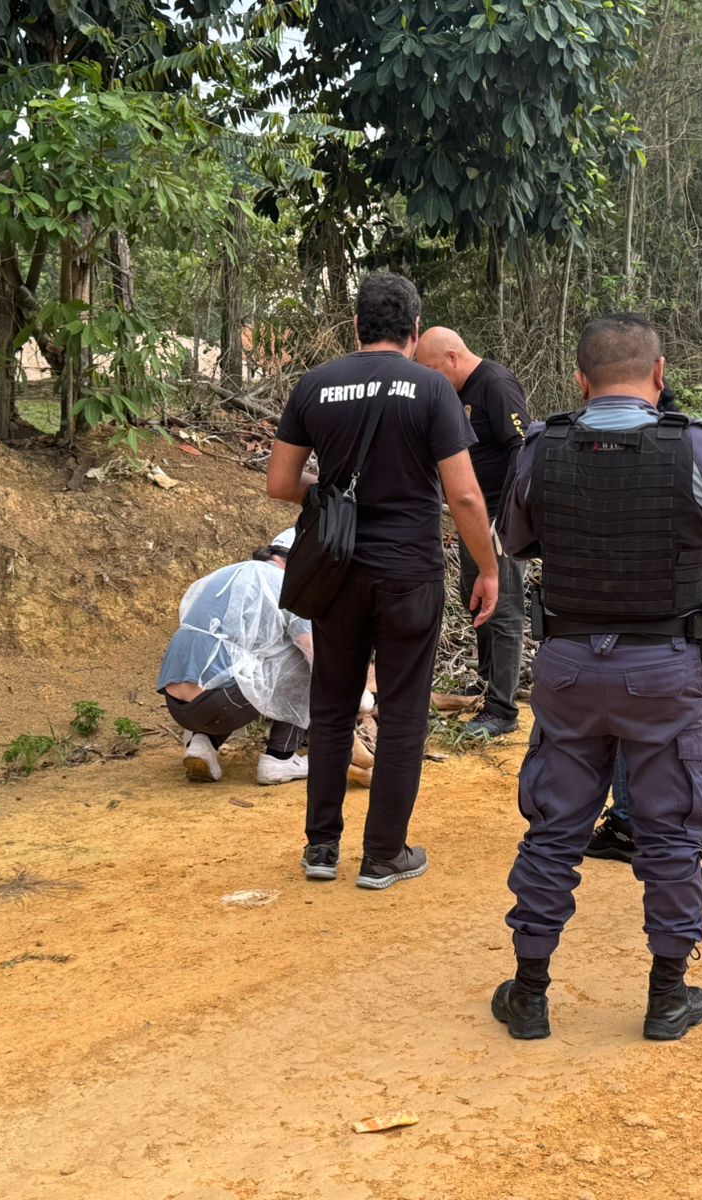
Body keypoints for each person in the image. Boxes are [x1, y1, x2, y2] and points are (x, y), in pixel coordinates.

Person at [491, 314, 702, 1042]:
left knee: (554, 827)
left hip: (567, 668)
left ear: (579, 379)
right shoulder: (696, 444)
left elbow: (513, 539)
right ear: (659, 376)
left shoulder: (544, 445)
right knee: (668, 831)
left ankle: (530, 994)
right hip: (663, 668)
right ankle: (667, 996)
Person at [267, 272, 500, 891]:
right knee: (401, 714)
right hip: (407, 573)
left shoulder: (315, 384)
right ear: (415, 330)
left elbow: (281, 484)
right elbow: (466, 496)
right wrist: (492, 570)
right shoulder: (431, 388)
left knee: (333, 705)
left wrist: (338, 492)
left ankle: (320, 849)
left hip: (335, 571)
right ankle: (383, 855)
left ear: (355, 327)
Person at [583, 384, 684, 863]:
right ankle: (644, 823)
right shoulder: (686, 453)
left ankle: (629, 822)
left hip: (620, 623)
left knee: (625, 729)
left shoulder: (600, 454)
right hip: (668, 627)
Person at [414, 327, 530, 737]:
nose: (428, 378)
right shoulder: (454, 394)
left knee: (504, 607)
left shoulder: (494, 384)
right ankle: (485, 685)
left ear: (452, 357)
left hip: (500, 516)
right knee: (476, 598)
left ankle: (503, 709)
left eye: (430, 369)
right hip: (474, 515)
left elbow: (523, 446)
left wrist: (510, 515)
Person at [156, 528, 312, 786]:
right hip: (221, 704)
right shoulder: (287, 586)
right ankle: (280, 758)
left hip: (176, 704)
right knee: (298, 659)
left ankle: (203, 742)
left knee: (237, 665)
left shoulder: (225, 575)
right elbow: (315, 653)